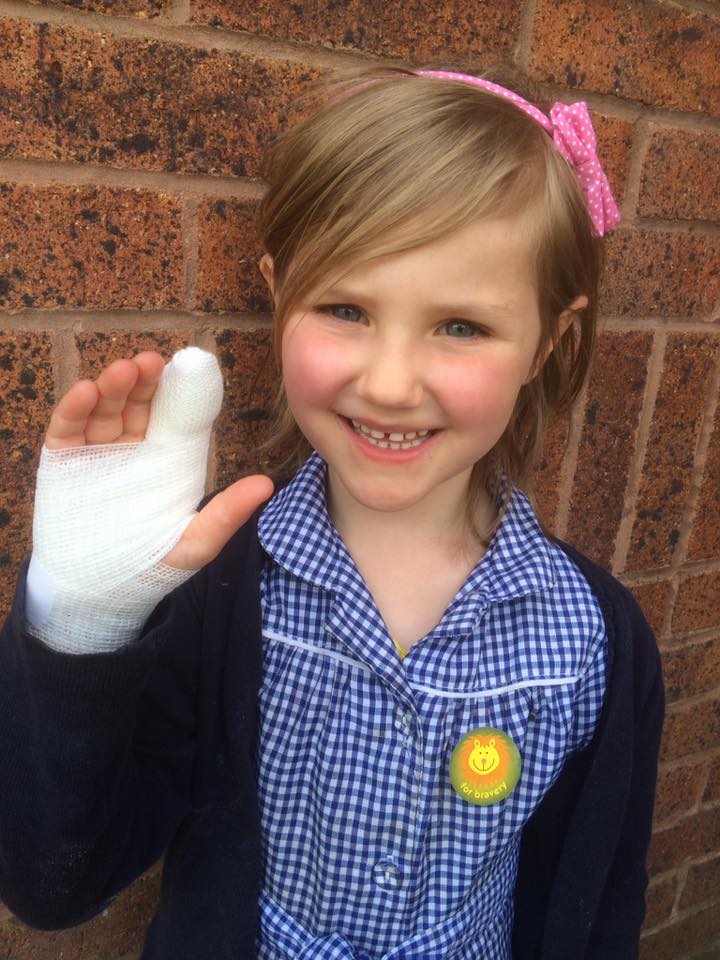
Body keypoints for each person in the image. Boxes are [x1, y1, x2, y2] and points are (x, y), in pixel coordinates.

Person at [0, 63, 664, 960]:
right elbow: (55, 883)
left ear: (548, 339)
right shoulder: (213, 595)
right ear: (280, 292)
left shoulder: (593, 640)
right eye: (346, 308)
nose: (389, 384)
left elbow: (594, 904)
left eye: (461, 326)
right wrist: (82, 625)